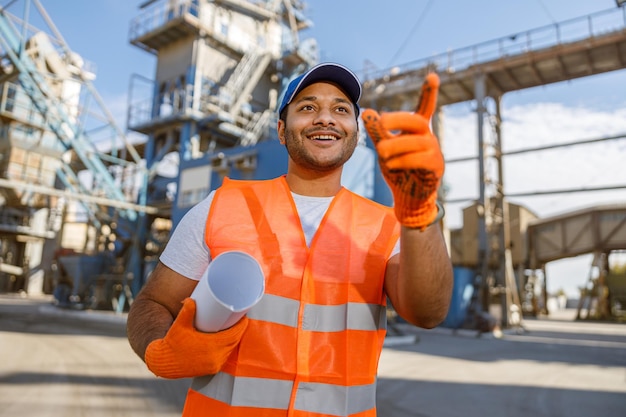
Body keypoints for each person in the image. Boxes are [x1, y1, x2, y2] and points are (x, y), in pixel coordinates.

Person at [127, 62, 453, 416]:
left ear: (355, 132)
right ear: (281, 131)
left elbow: (428, 312)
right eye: (308, 107)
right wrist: (157, 347)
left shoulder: (386, 225)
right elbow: (152, 303)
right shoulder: (222, 206)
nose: (325, 118)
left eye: (341, 109)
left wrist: (421, 212)